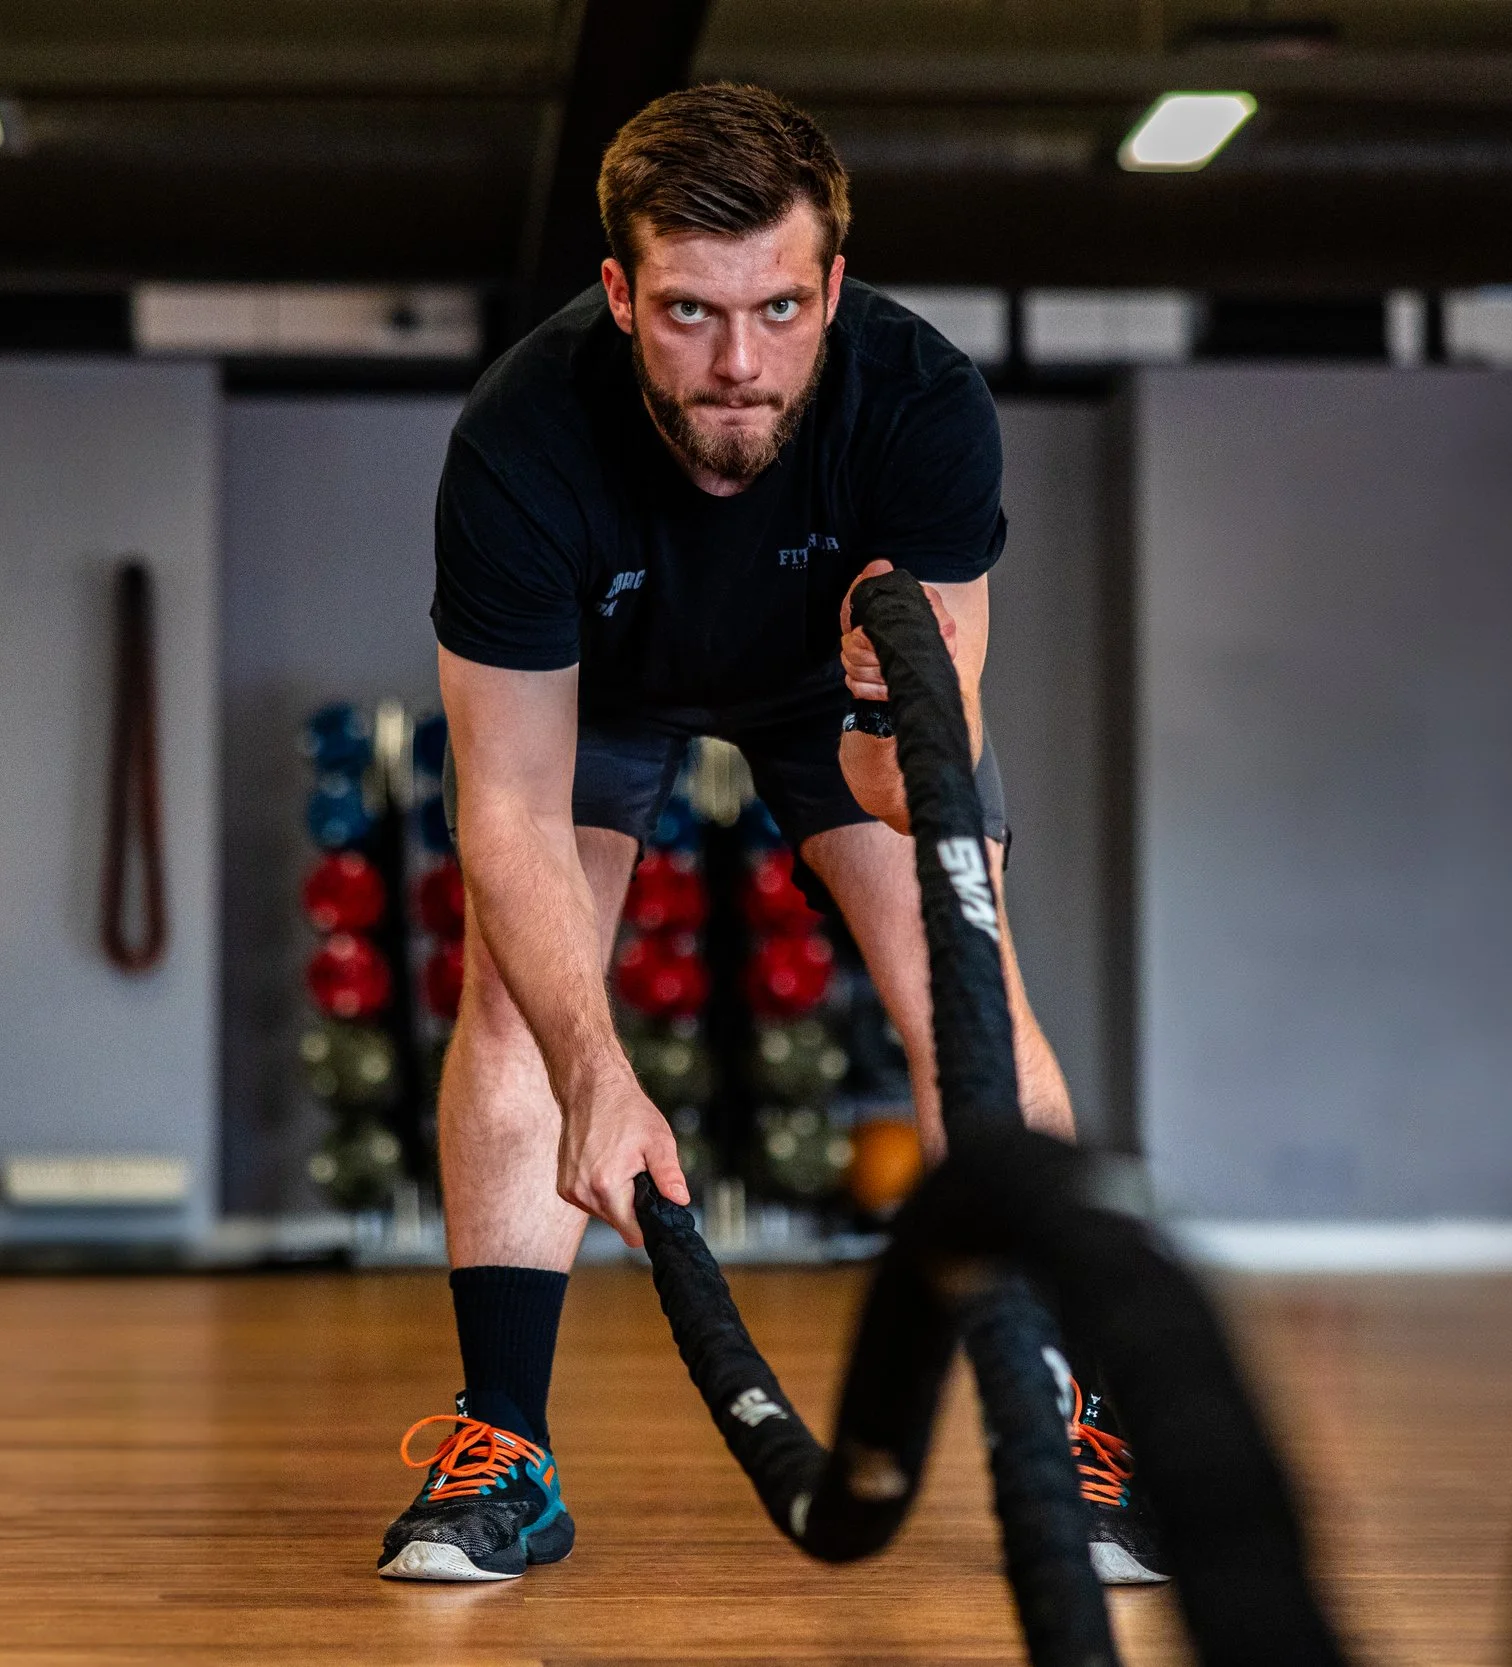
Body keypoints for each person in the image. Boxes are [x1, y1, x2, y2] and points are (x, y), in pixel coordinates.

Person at [379, 81, 1160, 1587]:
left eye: (780, 307)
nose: (739, 363)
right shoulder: (521, 441)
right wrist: (600, 1075)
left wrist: (886, 714)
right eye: (687, 311)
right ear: (618, 290)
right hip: (601, 682)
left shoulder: (922, 405)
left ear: (834, 287)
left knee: (969, 993)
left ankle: (1077, 1428)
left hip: (834, 692)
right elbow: (510, 807)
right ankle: (505, 1448)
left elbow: (919, 795)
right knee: (518, 1001)